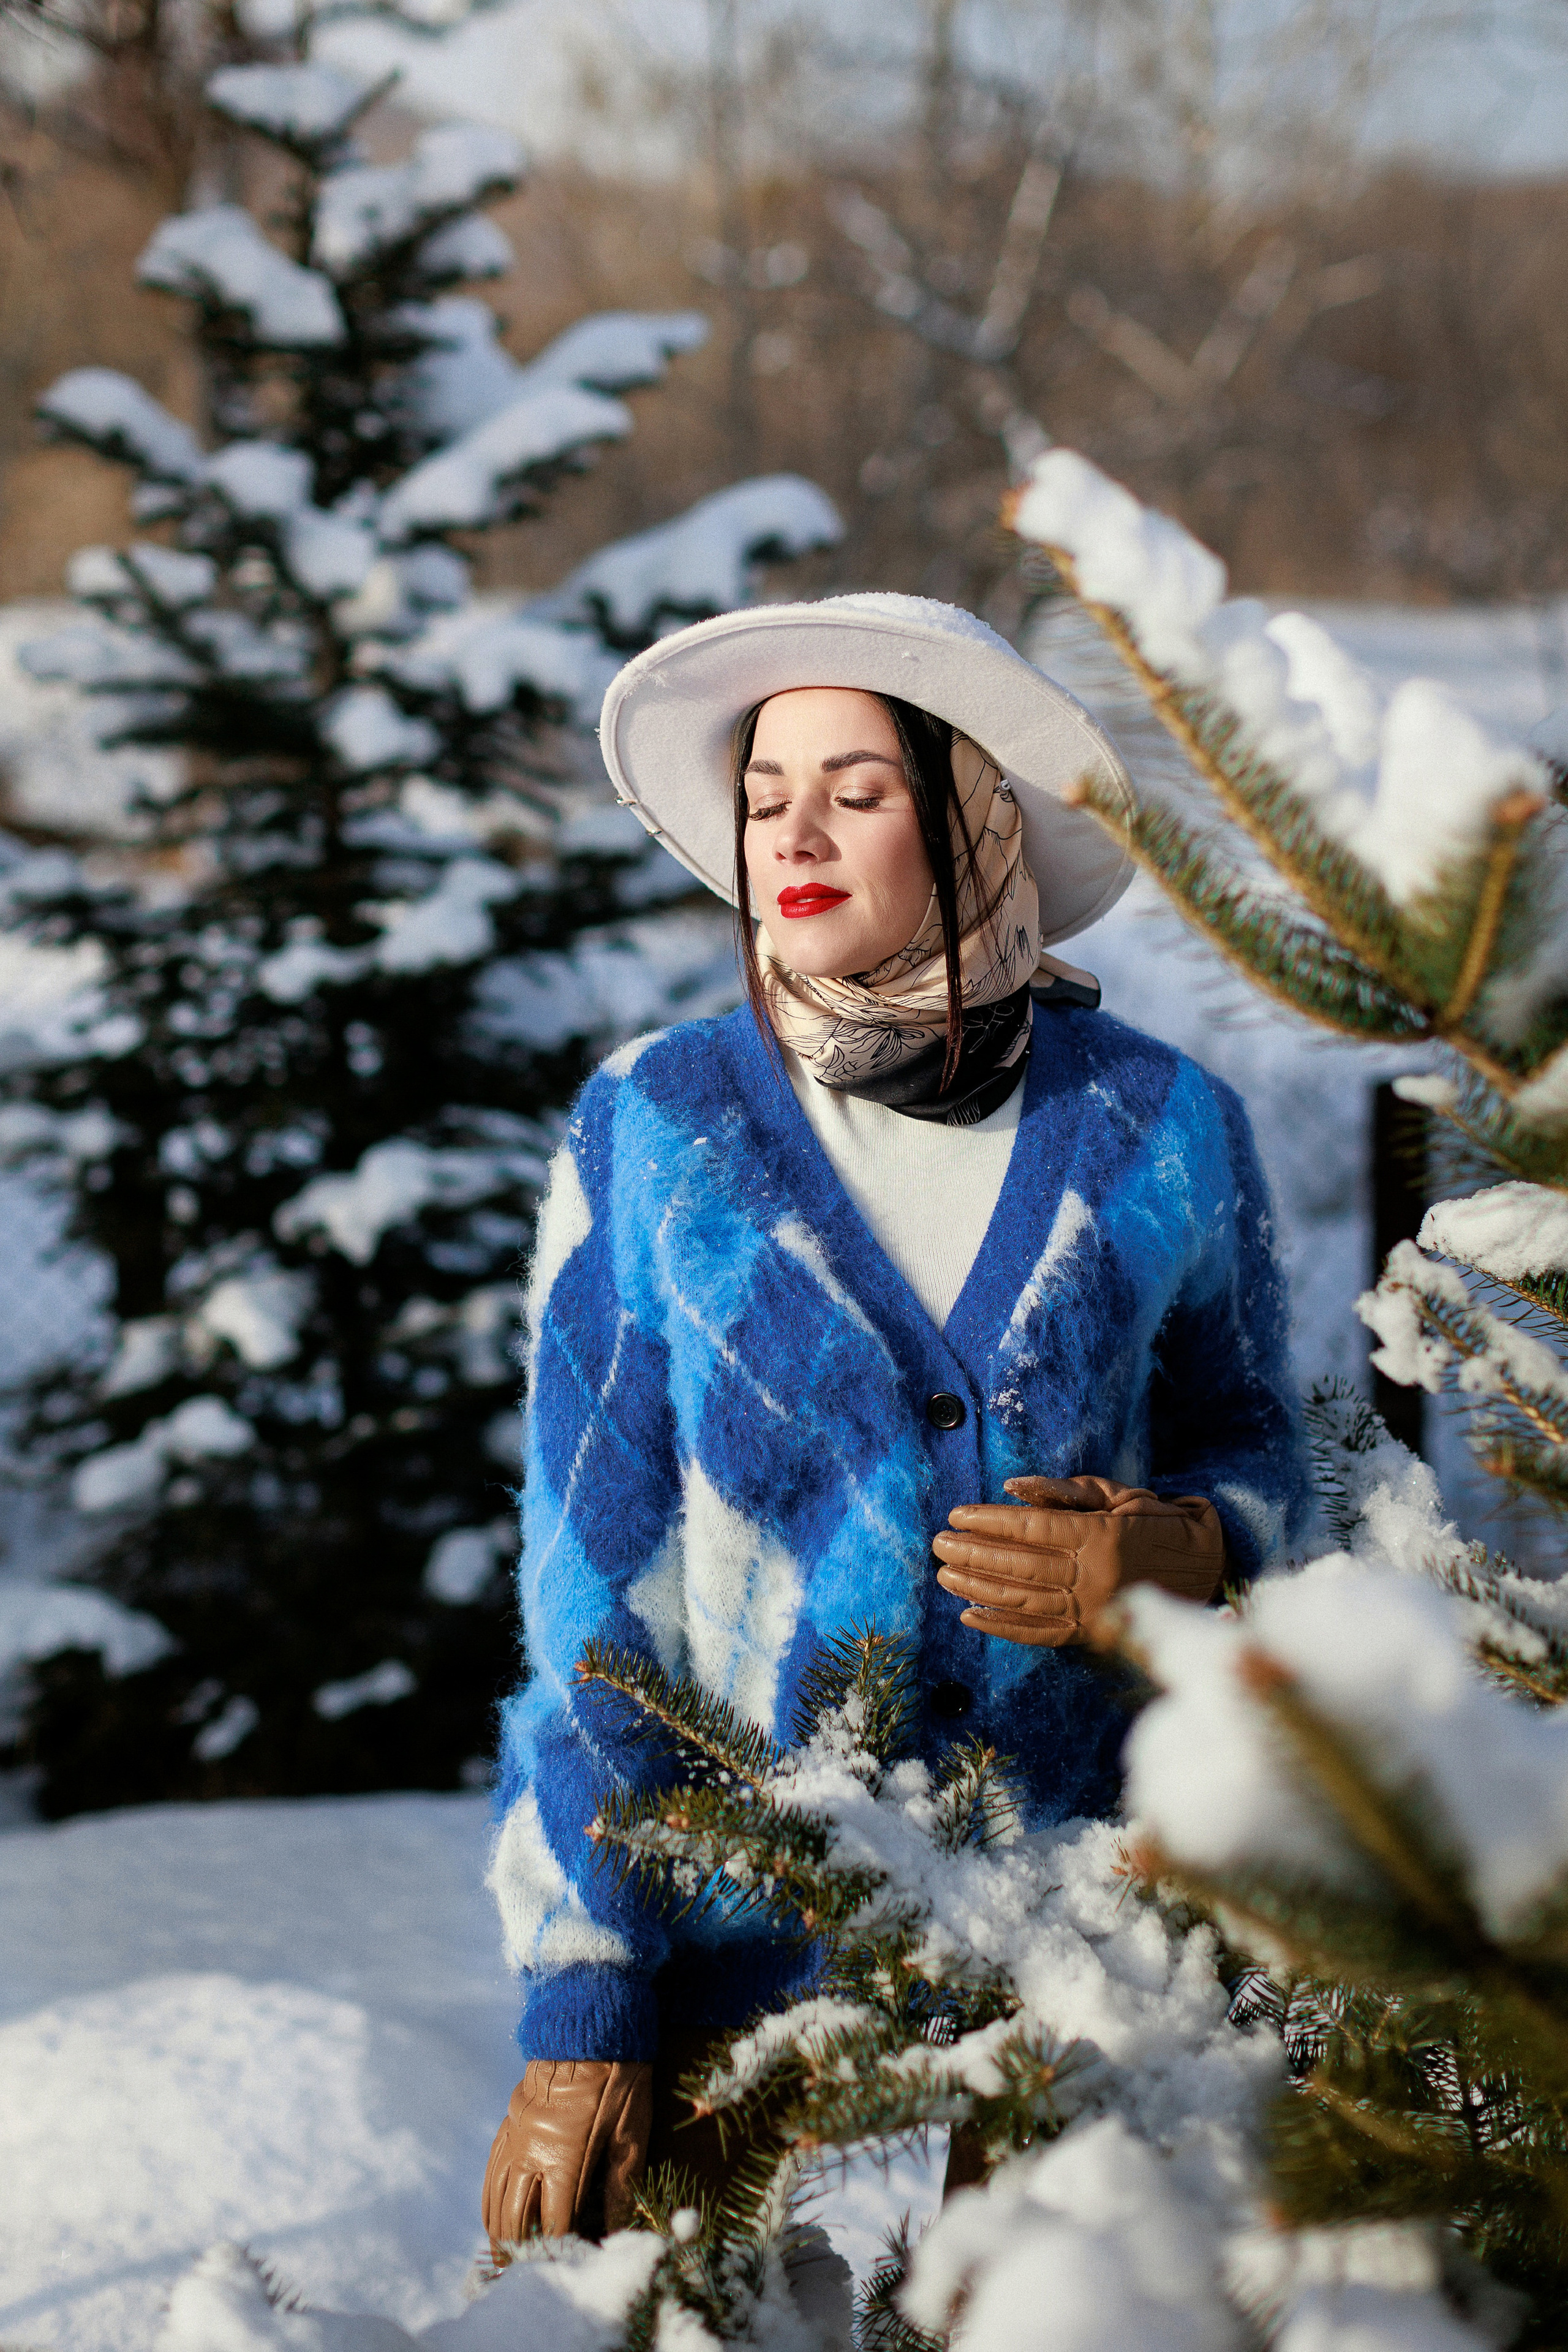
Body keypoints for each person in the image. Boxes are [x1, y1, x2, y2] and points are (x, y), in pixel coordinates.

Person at [480, 593, 1309, 2251]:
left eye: (856, 790)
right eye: (766, 790)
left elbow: (1269, 1444)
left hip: (1095, 1944)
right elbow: (593, 1583)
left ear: (970, 819)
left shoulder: (1160, 1125)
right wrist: (588, 1997)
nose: (792, 829)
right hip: (741, 1950)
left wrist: (1198, 1546)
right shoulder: (656, 1130)